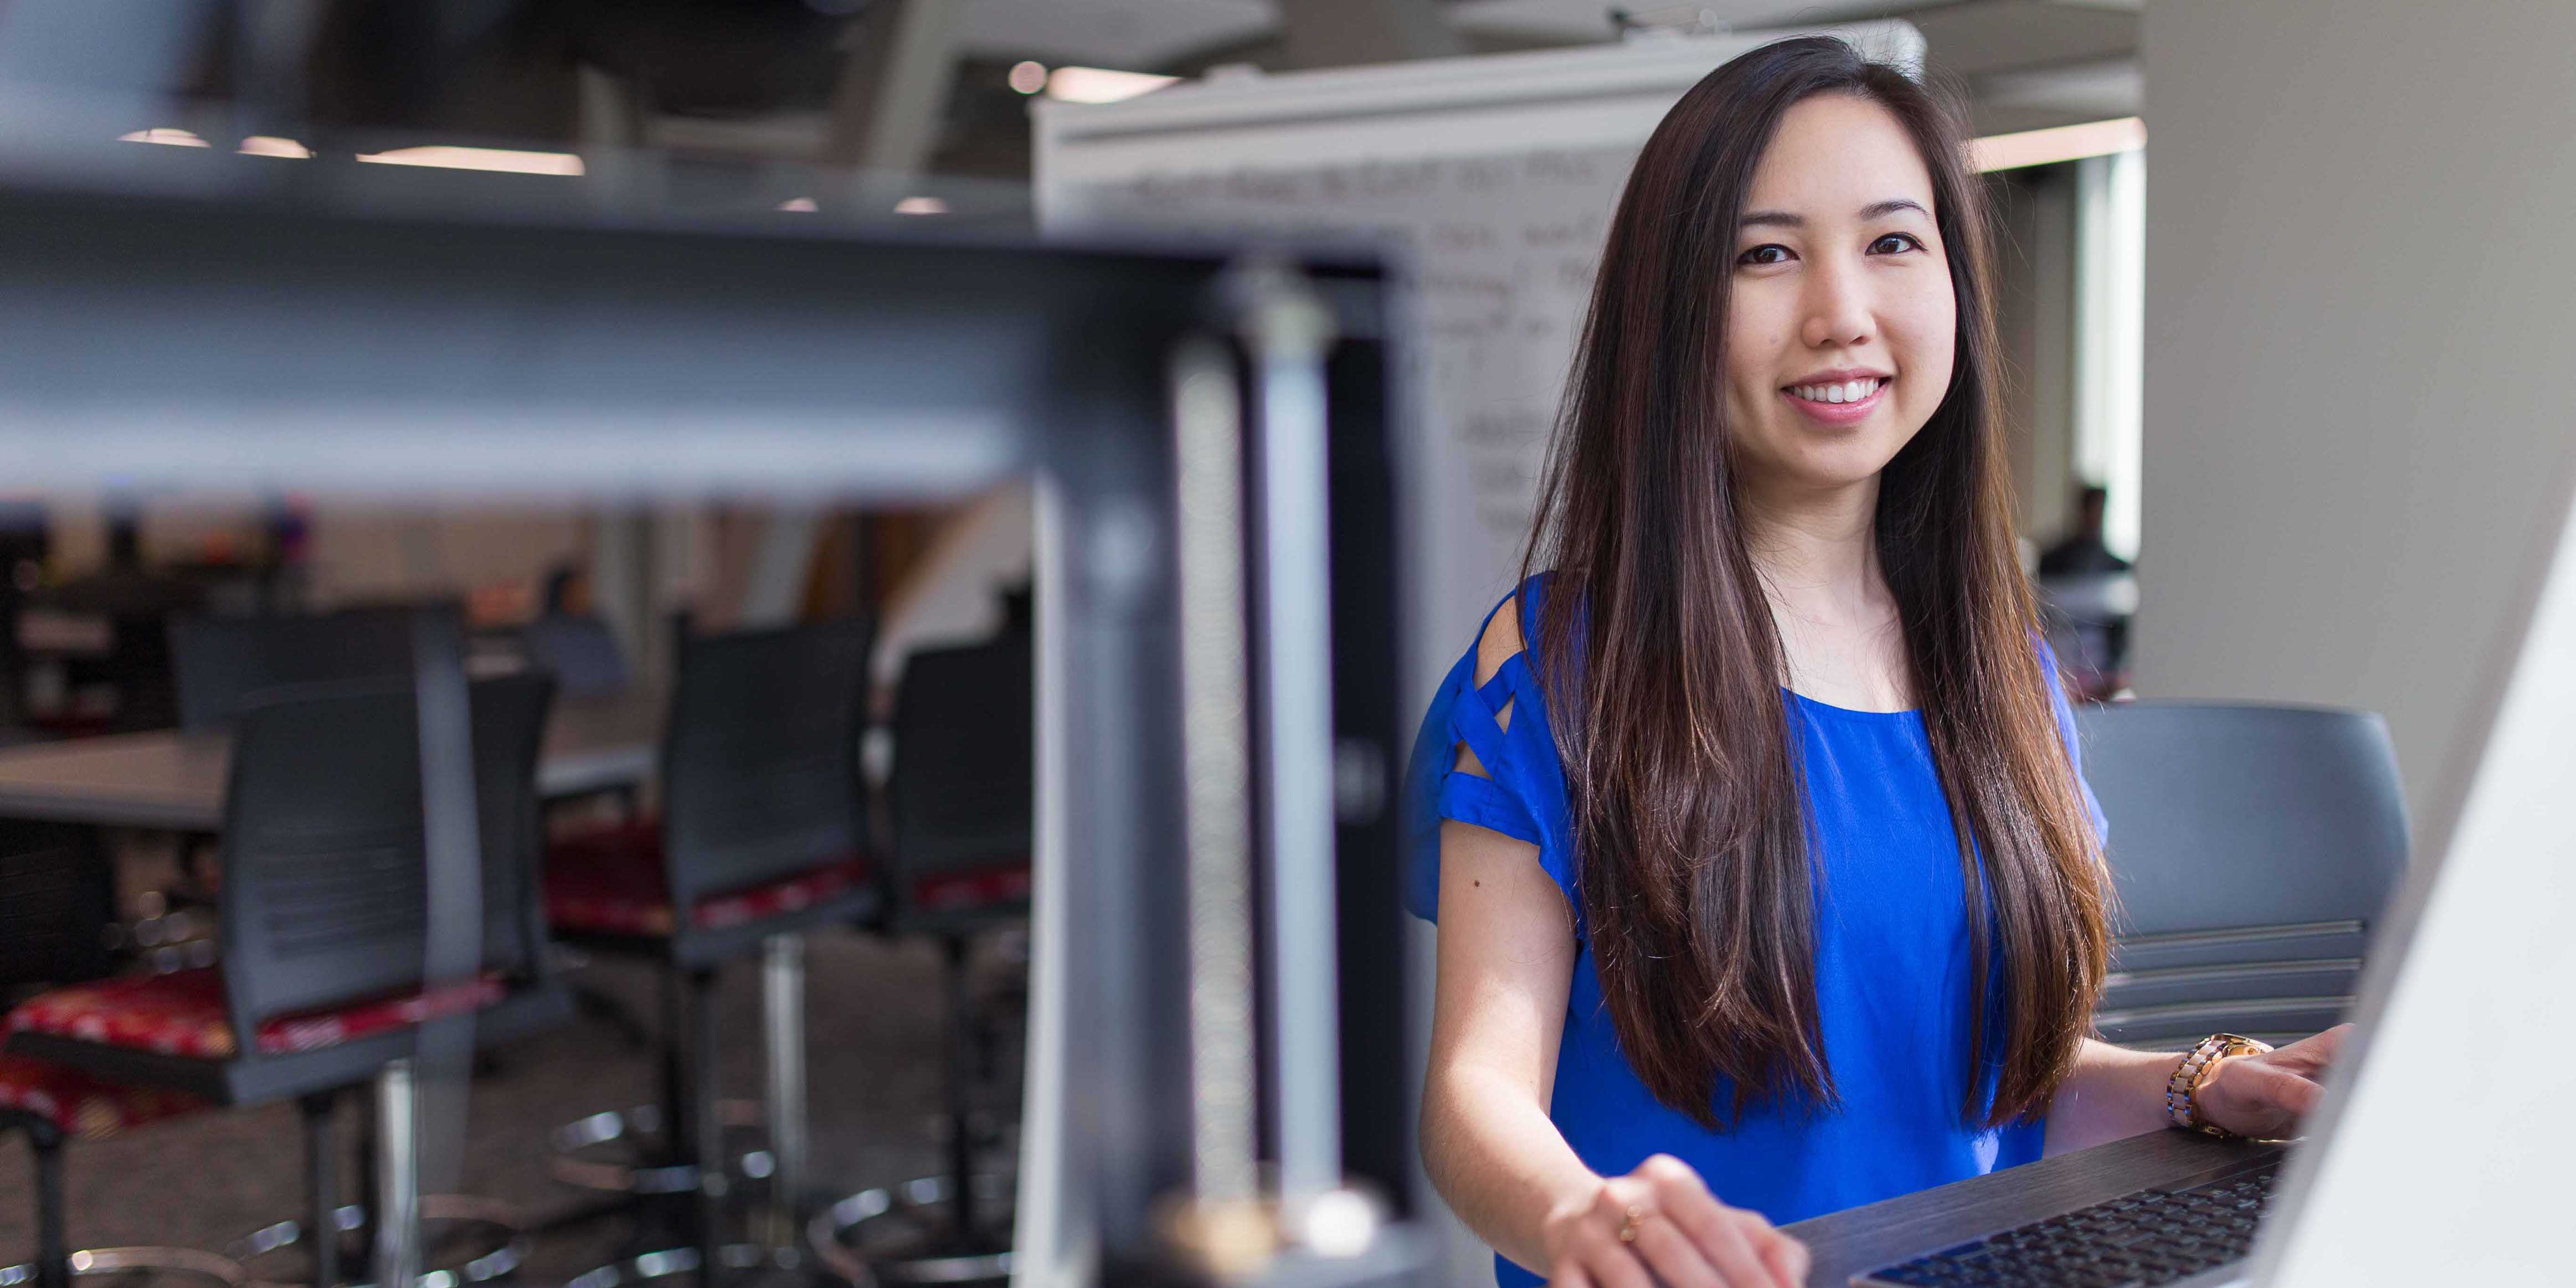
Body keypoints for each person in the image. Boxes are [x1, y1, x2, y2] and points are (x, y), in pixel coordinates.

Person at [1404, 38, 2343, 1288]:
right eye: (1766, 253)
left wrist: (2202, 1085)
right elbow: (1474, 1099)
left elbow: (1994, 1084)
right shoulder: (1558, 666)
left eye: (1893, 243)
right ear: (1674, 312)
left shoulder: (1998, 671)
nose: (1839, 313)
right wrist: (1591, 1221)